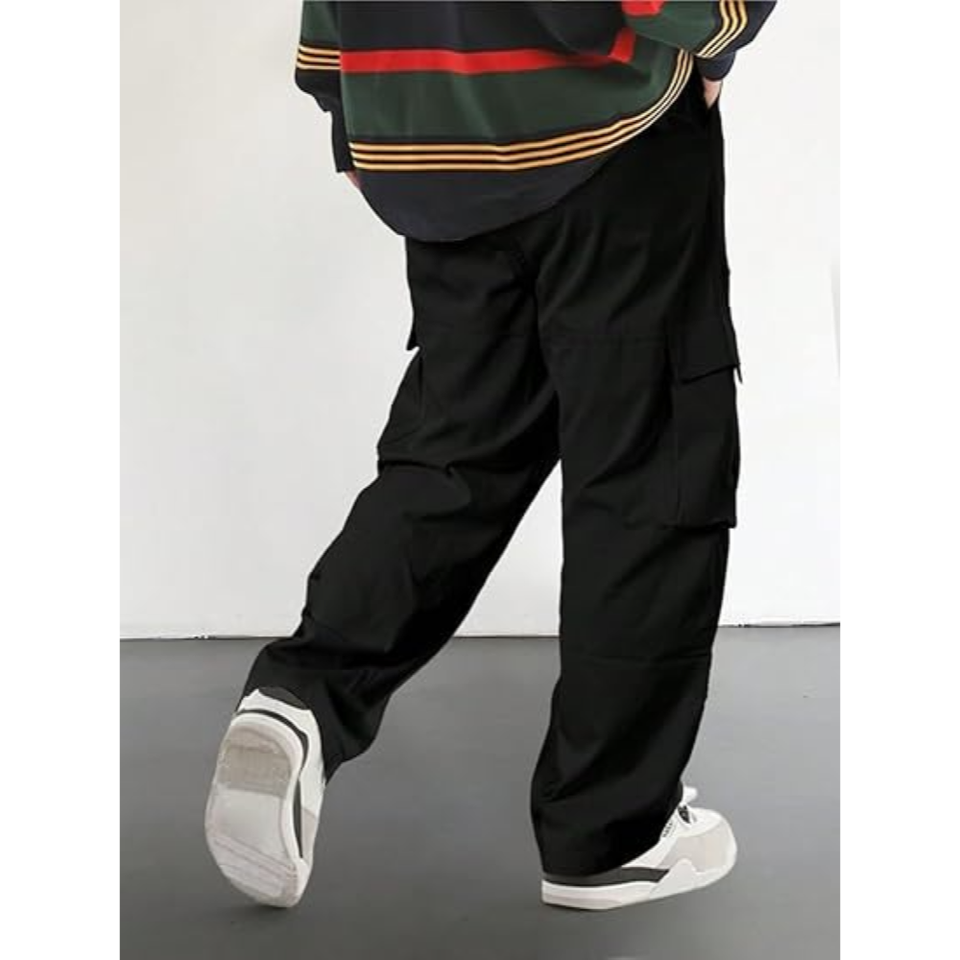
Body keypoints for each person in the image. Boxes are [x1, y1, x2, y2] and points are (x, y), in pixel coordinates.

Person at [204, 0, 776, 912]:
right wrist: (719, 33)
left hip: (427, 134)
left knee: (457, 454)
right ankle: (610, 834)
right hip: (604, 127)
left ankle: (303, 696)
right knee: (646, 465)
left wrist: (344, 101)